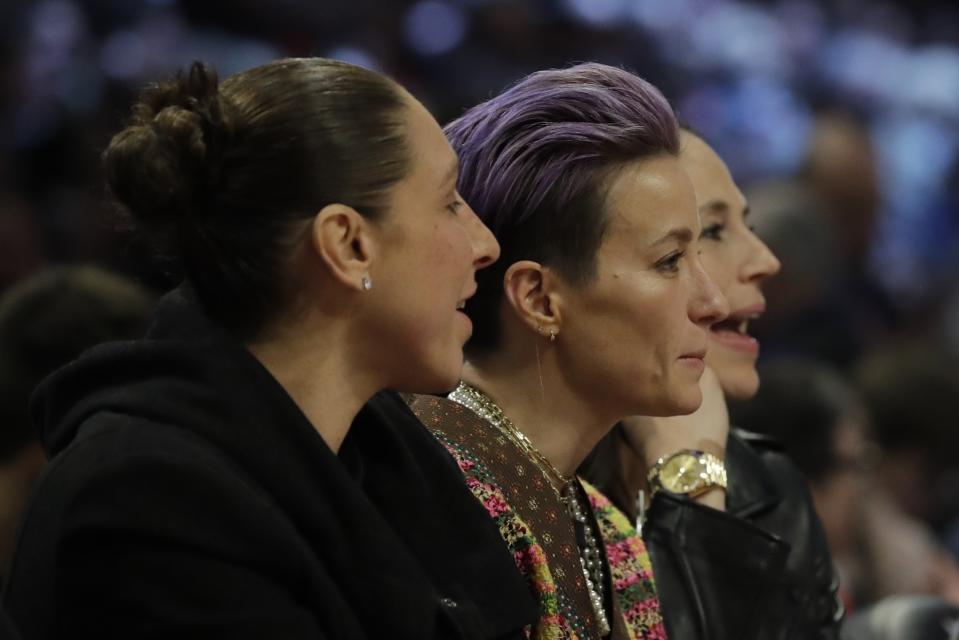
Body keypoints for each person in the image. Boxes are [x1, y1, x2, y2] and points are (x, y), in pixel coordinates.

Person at [1, 58, 535, 639]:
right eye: (449, 201)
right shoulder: (152, 506)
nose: (485, 243)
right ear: (347, 245)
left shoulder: (384, 457)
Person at [406, 62, 795, 640]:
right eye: (669, 262)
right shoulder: (425, 490)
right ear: (538, 298)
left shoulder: (608, 531)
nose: (711, 302)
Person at [581, 129, 844, 638]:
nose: (767, 261)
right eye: (712, 231)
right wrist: (690, 479)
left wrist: (688, 475)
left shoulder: (771, 486)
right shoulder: (512, 482)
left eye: (748, 224)